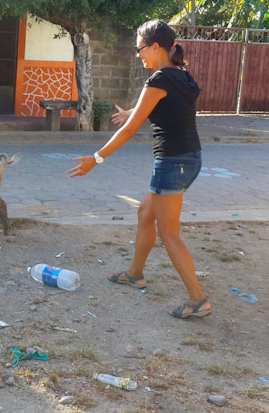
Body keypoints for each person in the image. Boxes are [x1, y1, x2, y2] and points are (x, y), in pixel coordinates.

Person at [69, 19, 210, 319]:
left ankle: (198, 299)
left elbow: (131, 130)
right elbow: (167, 105)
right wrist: (133, 110)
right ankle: (135, 274)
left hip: (172, 162)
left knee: (169, 233)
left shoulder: (159, 79)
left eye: (141, 49)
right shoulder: (180, 75)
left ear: (156, 47)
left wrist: (96, 158)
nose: (138, 54)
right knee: (146, 212)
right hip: (189, 159)